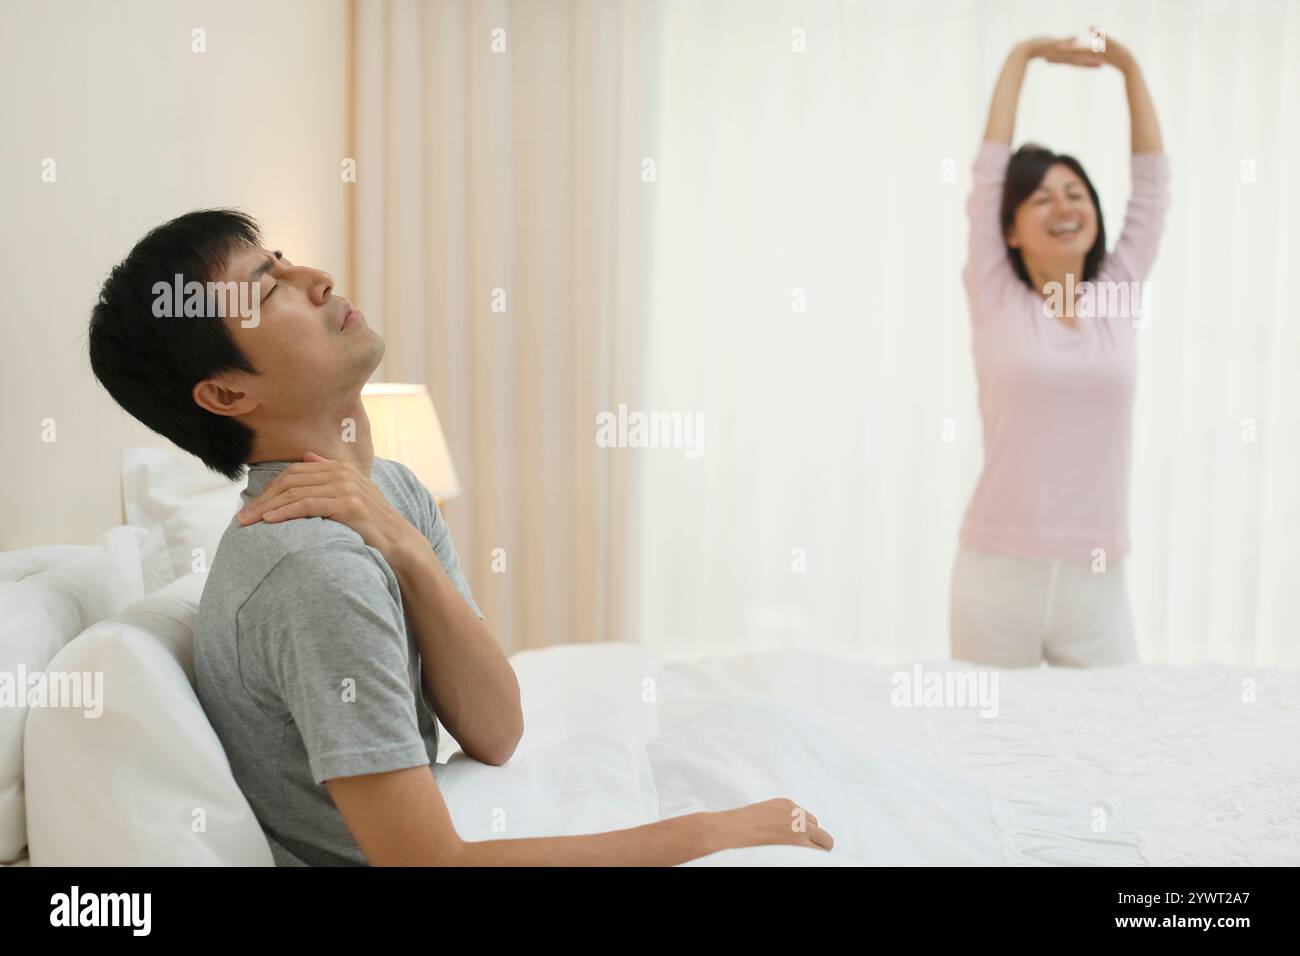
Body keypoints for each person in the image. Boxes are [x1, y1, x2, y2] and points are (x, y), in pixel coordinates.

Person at [88, 209, 833, 865]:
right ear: (226, 394)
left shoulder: (390, 494)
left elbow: (497, 729)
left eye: (286, 259)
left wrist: (403, 543)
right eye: (269, 287)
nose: (317, 278)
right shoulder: (308, 570)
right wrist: (704, 836)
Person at [951, 33, 1170, 668]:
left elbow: (1153, 191)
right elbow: (988, 171)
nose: (1063, 205)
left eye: (1076, 193)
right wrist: (1022, 55)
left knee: (1111, 749)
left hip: (1096, 582)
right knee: (989, 760)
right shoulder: (995, 295)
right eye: (1040, 197)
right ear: (1010, 231)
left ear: (1095, 213)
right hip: (995, 578)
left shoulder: (1115, 298)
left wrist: (1128, 66)